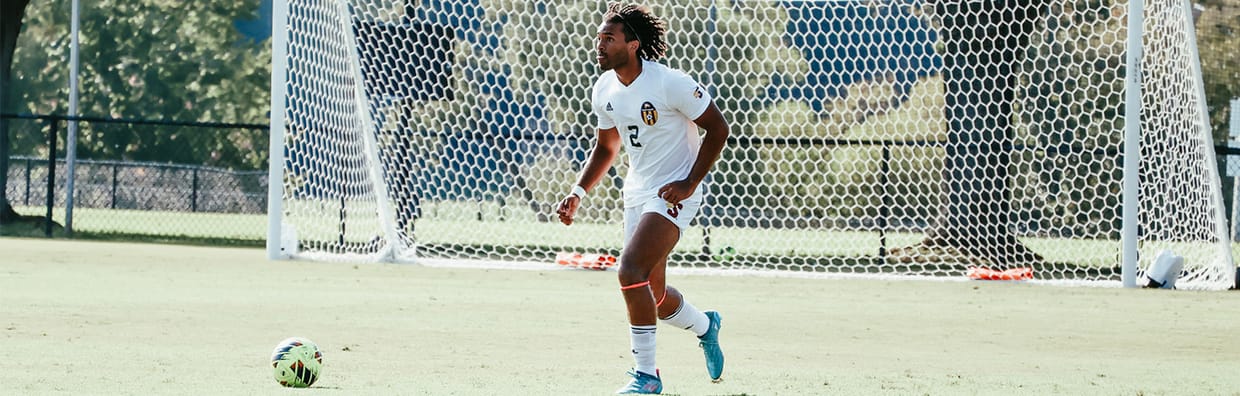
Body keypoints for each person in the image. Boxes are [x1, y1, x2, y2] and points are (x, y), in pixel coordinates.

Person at [554, 3, 730, 394]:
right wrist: (577, 192)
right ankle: (707, 326)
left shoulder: (670, 83)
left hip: (674, 192)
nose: (599, 45)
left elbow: (718, 129)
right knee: (653, 294)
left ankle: (646, 377)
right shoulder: (604, 88)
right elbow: (606, 148)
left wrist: (688, 183)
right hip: (636, 192)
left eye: (609, 39)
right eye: (599, 38)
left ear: (633, 45)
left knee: (628, 270)